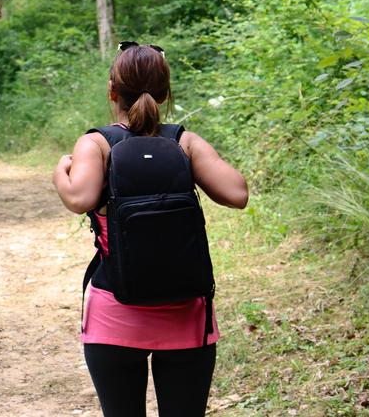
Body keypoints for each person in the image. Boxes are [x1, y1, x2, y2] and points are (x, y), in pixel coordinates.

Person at [52, 42, 248, 417]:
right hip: (186, 312)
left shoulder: (97, 144)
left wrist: (59, 172)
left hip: (114, 311)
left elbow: (78, 198)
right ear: (165, 91)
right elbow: (237, 193)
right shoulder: (183, 142)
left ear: (112, 90)